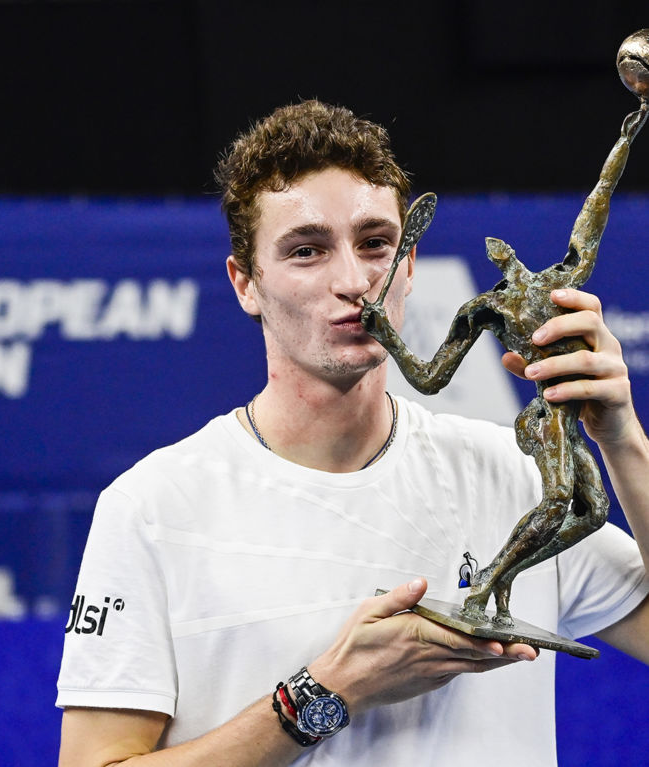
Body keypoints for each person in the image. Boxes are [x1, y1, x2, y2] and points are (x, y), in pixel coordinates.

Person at [56, 100, 649, 766]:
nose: (354, 282)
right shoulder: (153, 506)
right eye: (307, 250)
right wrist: (328, 690)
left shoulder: (508, 473)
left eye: (375, 245)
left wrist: (622, 436)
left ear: (410, 263)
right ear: (244, 283)